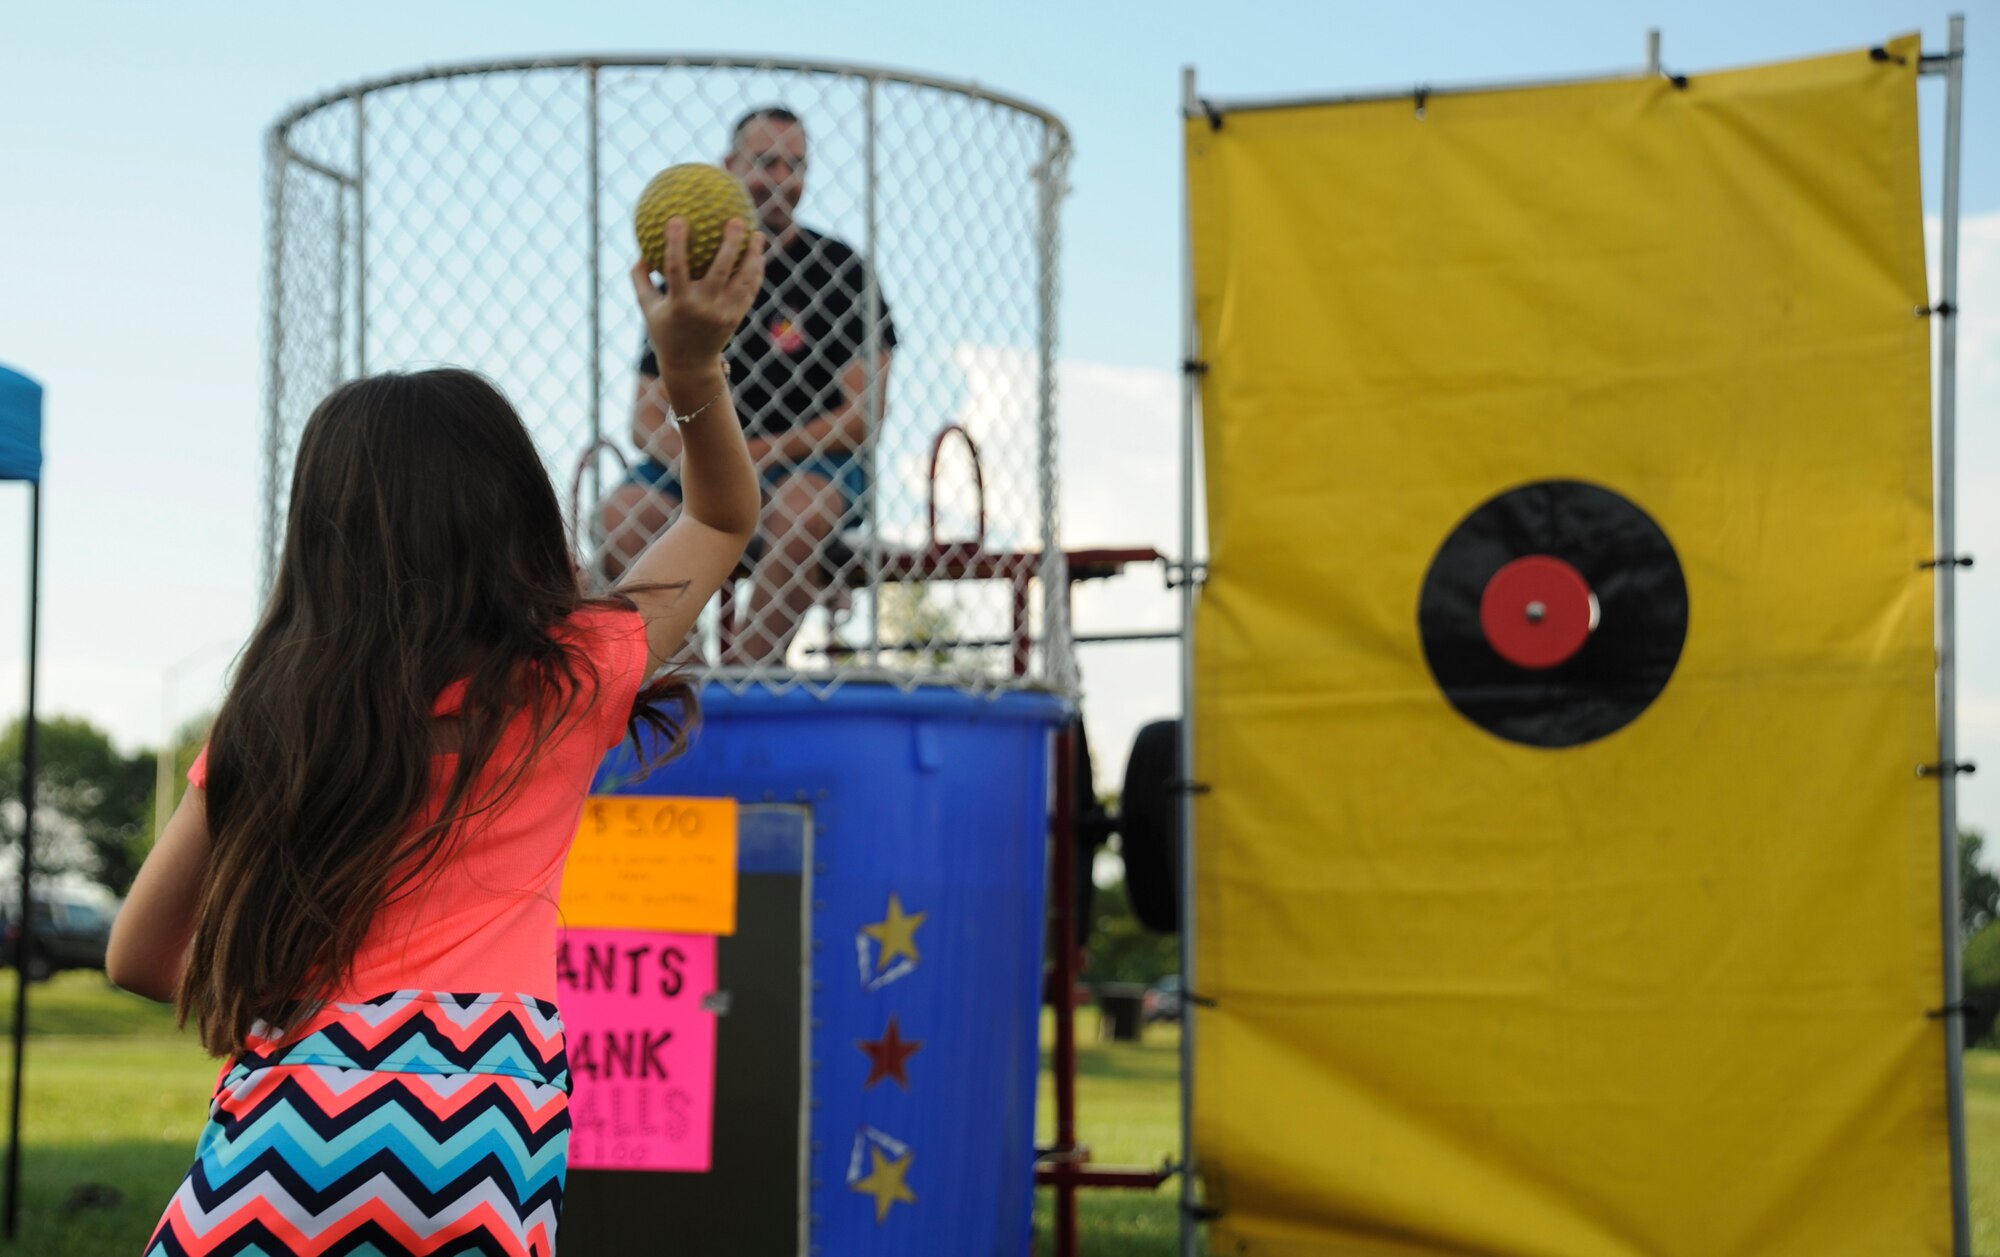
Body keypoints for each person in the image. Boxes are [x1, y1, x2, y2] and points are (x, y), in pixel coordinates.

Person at [108, 217, 766, 1257]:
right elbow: (723, 517)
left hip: (288, 1131)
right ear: (512, 513)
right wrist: (688, 366)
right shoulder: (572, 674)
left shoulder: (272, 713)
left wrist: (278, 1017)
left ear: (321, 538)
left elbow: (135, 953)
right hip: (482, 1125)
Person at [598, 105, 898, 666]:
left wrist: (756, 455)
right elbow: (643, 419)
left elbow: (864, 414)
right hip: (700, 452)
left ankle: (749, 677)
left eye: (796, 165)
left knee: (803, 509)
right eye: (766, 162)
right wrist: (710, 463)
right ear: (730, 166)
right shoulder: (687, 277)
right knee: (621, 512)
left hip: (810, 462)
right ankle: (688, 683)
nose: (781, 180)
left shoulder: (843, 270)